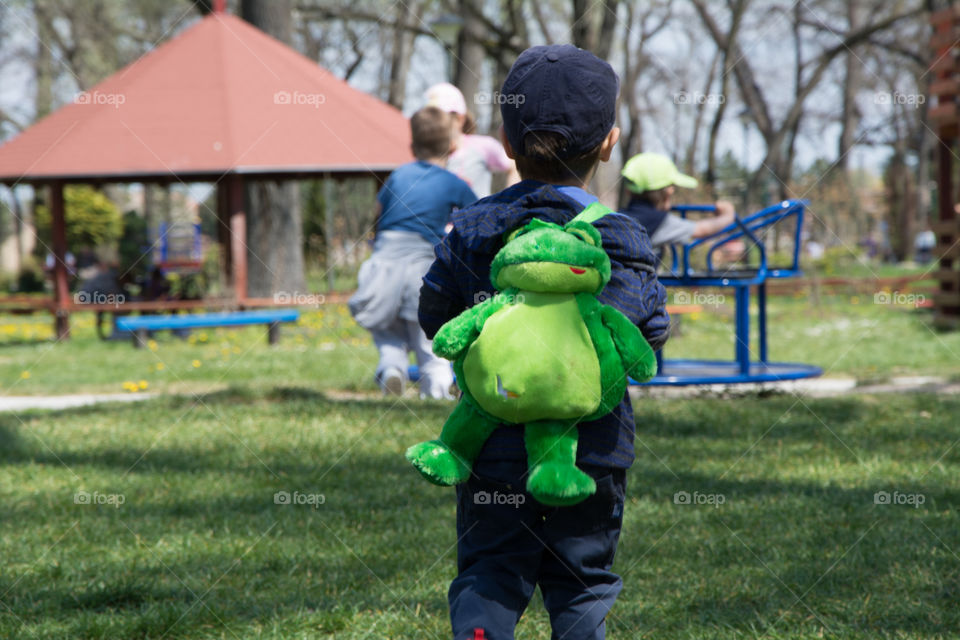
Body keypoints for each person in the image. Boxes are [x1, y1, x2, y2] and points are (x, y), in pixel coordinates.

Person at [418, 45, 670, 640]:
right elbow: (647, 335)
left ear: (505, 142)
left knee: (490, 571)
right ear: (609, 143)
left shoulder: (474, 227)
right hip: (592, 453)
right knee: (582, 581)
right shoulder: (622, 237)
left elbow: (434, 315)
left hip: (491, 447)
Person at [349, 106, 477, 399]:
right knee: (427, 342)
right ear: (452, 146)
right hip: (420, 270)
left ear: (412, 145)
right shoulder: (453, 183)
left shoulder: (397, 176)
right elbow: (477, 220)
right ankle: (440, 388)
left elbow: (379, 214)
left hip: (382, 268)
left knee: (387, 330)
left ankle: (392, 370)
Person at [425, 82, 520, 198]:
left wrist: (510, 203)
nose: (434, 125)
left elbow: (514, 165)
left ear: (459, 119)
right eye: (431, 119)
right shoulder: (427, 156)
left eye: (440, 118)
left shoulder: (482, 146)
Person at [619, 152, 736, 247]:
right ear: (665, 192)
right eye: (670, 186)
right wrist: (727, 216)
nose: (672, 190)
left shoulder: (621, 216)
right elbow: (700, 230)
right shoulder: (656, 220)